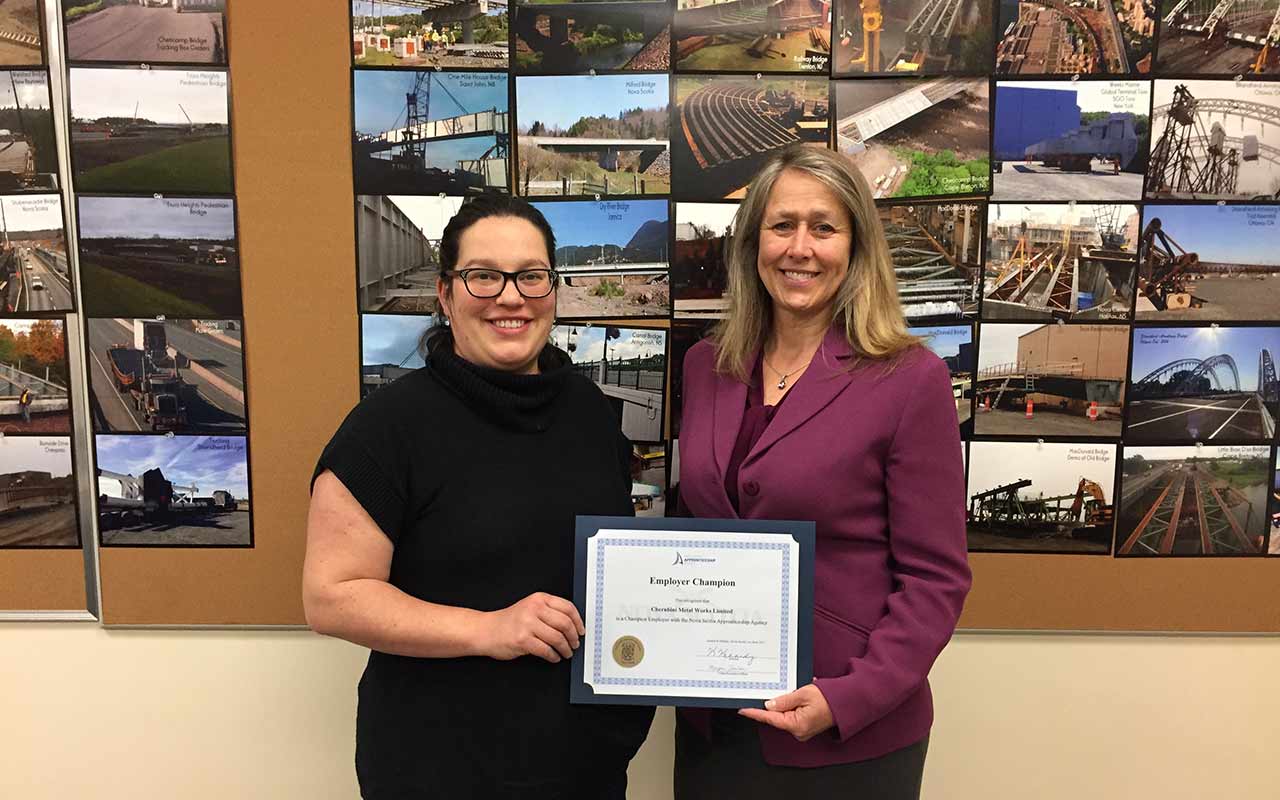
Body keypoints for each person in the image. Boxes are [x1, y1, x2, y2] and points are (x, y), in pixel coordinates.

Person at [304, 194, 655, 799]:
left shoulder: (591, 415)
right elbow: (332, 598)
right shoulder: (387, 428)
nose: (511, 296)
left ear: (553, 288)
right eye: (484, 276)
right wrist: (488, 629)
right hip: (439, 769)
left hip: (581, 770)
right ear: (446, 295)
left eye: (531, 276)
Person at [674, 143, 971, 798]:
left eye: (824, 228)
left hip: (847, 734)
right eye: (782, 226)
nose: (799, 248)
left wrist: (849, 697)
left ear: (856, 245)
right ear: (754, 242)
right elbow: (693, 525)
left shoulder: (910, 378)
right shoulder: (706, 367)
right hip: (715, 726)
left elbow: (936, 577)